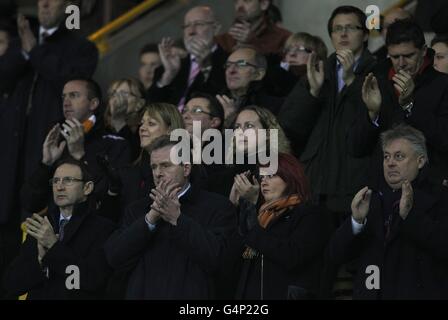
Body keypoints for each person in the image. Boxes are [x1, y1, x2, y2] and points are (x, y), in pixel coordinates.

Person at [0, 0, 98, 269]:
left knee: (30, 246)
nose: (43, 3)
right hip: (10, 157)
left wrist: (37, 52)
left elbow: (73, 80)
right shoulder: (23, 43)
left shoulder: (81, 47)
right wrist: (27, 51)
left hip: (46, 153)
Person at [104, 135, 236, 299]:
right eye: (154, 167)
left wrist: (178, 219)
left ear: (186, 169)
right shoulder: (137, 210)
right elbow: (114, 257)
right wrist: (149, 220)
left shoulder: (218, 207)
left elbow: (219, 260)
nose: (158, 173)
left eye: (166, 166)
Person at [279, 5, 376, 223]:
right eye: (337, 28)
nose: (343, 34)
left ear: (366, 34)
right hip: (314, 183)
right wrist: (312, 93)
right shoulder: (319, 69)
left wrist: (352, 82)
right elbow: (289, 126)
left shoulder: (377, 70)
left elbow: (373, 127)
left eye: (351, 27)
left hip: (353, 185)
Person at [328, 125, 448, 299]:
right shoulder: (371, 199)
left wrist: (411, 217)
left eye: (399, 156)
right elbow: (335, 255)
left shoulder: (441, 198)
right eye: (386, 157)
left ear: (420, 161)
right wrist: (355, 222)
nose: (390, 162)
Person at [349, 19, 448, 189]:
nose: (401, 63)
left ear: (424, 51)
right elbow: (355, 148)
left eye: (408, 55)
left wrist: (410, 106)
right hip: (381, 191)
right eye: (395, 56)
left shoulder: (443, 85)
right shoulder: (375, 82)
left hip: (428, 191)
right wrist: (372, 115)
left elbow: (444, 140)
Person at [2, 158, 115, 299]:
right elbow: (10, 284)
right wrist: (40, 262)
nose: (59, 187)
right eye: (55, 181)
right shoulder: (42, 225)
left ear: (87, 188)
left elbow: (92, 281)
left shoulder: (103, 229)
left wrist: (54, 247)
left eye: (68, 180)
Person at [228, 153, 331, 299]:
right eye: (262, 177)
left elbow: (291, 256)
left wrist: (251, 206)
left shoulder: (310, 214)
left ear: (290, 177)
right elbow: (232, 257)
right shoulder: (260, 215)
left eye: (271, 176)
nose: (264, 182)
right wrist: (233, 206)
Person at [104, 103, 185, 222]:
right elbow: (111, 220)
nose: (142, 128)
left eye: (151, 123)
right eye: (142, 123)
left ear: (170, 130)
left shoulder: (183, 170)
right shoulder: (128, 172)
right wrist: (113, 191)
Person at [147, 6, 227, 110]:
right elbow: (151, 109)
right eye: (187, 26)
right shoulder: (171, 66)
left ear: (216, 29)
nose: (191, 31)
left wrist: (206, 68)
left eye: (198, 24)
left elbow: (217, 104)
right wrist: (168, 75)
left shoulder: (228, 61)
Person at [217, 46, 283, 118]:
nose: (231, 70)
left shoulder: (276, 107)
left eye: (241, 64)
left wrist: (232, 119)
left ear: (259, 74)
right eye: (228, 65)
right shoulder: (212, 103)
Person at [215, 0, 291, 56]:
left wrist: (253, 44)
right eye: (236, 1)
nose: (240, 6)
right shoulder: (223, 40)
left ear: (264, 4)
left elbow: (283, 71)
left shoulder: (284, 38)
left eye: (247, 1)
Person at [105, 78, 146, 160]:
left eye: (124, 94)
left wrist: (119, 122)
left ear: (139, 104)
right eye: (113, 93)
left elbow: (132, 158)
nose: (116, 98)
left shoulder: (144, 131)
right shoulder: (99, 125)